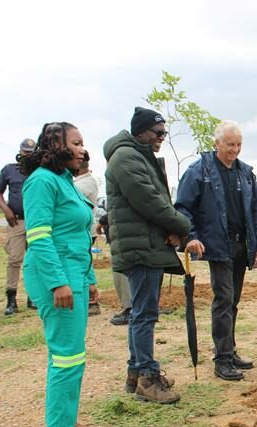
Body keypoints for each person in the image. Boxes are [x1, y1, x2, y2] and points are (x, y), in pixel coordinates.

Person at [20, 122, 107, 427]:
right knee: (66, 355)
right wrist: (58, 283)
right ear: (56, 145)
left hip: (74, 276)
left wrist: (88, 279)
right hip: (54, 279)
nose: (83, 150)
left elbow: (76, 238)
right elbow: (39, 237)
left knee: (73, 354)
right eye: (77, 143)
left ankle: (68, 424)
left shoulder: (64, 181)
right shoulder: (41, 181)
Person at [104, 107, 190, 403]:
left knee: (142, 311)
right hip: (139, 248)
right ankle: (147, 378)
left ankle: (135, 373)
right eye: (158, 133)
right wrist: (183, 226)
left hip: (145, 244)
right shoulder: (126, 157)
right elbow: (150, 201)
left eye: (164, 133)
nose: (162, 138)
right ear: (141, 131)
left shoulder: (135, 155)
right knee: (144, 314)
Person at [176, 120, 257, 380]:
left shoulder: (245, 174)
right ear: (217, 143)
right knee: (224, 299)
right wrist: (190, 238)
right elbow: (183, 208)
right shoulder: (199, 172)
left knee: (233, 300)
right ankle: (222, 359)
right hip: (217, 245)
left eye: (238, 144)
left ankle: (229, 348)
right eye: (230, 144)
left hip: (241, 245)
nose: (235, 149)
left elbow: (256, 211)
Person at [0, 138, 37, 314]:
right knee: (14, 259)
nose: (28, 155)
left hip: (35, 221)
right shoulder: (9, 170)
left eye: (31, 152)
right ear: (20, 152)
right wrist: (6, 210)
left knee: (34, 260)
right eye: (26, 152)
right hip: (16, 221)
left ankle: (33, 297)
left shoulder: (39, 171)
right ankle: (11, 300)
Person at [73, 154, 101, 316]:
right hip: (80, 230)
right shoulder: (77, 181)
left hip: (85, 231)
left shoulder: (87, 182)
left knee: (84, 262)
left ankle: (92, 300)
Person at [97, 212, 133, 326]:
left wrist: (103, 220)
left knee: (122, 273)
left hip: (124, 237)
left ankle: (130, 309)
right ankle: (132, 308)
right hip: (126, 236)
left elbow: (118, 208)